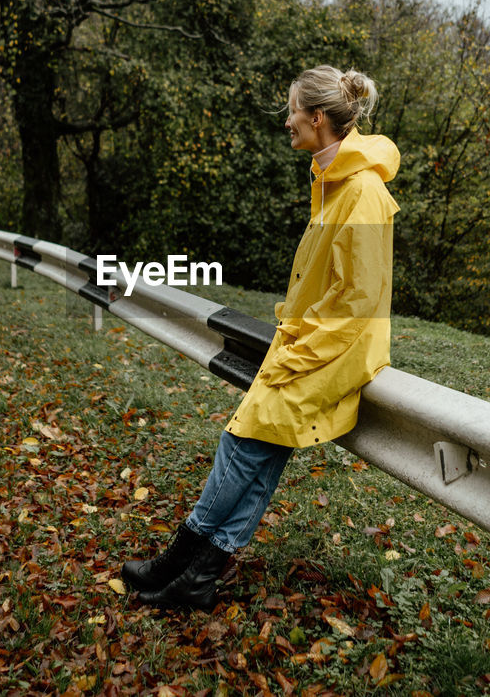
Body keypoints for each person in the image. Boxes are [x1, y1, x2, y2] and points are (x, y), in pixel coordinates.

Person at [122, 65, 400, 610]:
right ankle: (198, 577)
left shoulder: (362, 190)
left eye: (292, 110)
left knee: (241, 443)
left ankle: (180, 558)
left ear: (317, 118)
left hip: (331, 350)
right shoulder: (333, 180)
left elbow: (358, 299)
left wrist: (299, 350)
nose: (287, 121)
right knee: (261, 455)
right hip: (313, 343)